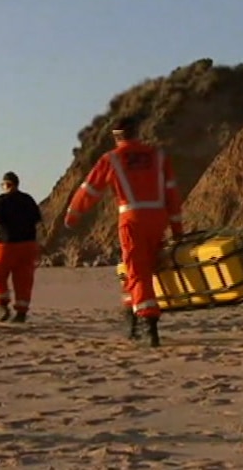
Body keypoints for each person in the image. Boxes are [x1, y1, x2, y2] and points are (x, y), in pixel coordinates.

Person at [64, 116, 184, 347]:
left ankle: (149, 324)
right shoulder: (158, 157)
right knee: (143, 268)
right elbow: (172, 194)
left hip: (132, 219)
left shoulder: (112, 158)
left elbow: (90, 189)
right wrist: (177, 228)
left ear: (116, 136)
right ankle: (131, 320)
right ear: (138, 131)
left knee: (137, 269)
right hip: (158, 219)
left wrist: (73, 214)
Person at [0, 171, 42, 323]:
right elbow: (37, 219)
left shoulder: (3, 199)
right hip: (28, 245)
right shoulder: (28, 199)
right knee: (24, 279)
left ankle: (3, 305)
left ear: (7, 184)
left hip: (7, 245)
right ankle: (21, 313)